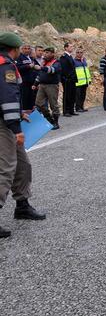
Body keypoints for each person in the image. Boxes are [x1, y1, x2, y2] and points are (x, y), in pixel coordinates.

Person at [0, 32, 47, 238]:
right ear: (15, 48)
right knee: (6, 168)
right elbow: (9, 97)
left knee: (23, 165)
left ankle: (22, 205)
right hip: (5, 125)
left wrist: (19, 113)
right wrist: (17, 128)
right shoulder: (6, 66)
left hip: (8, 120)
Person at [33, 47, 61, 130]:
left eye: (47, 52)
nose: (45, 54)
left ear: (52, 54)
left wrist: (41, 68)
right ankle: (49, 119)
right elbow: (40, 75)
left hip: (52, 86)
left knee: (53, 104)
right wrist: (35, 83)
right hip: (42, 85)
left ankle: (56, 123)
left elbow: (52, 70)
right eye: (44, 52)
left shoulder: (56, 62)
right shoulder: (44, 62)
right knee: (39, 103)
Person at [16, 43, 40, 111]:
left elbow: (38, 68)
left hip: (32, 83)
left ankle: (31, 116)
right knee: (24, 100)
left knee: (31, 101)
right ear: (21, 49)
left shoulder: (31, 58)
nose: (27, 50)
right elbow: (17, 67)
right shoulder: (19, 57)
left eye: (28, 48)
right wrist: (28, 66)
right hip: (24, 83)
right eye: (25, 48)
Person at [59, 42, 78, 116]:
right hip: (67, 79)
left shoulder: (70, 56)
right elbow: (64, 69)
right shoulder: (64, 57)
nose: (72, 48)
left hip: (72, 79)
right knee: (67, 95)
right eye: (70, 46)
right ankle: (66, 111)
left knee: (72, 95)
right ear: (66, 48)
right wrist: (65, 78)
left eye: (72, 46)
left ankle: (71, 110)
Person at [73, 48, 91, 112]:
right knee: (78, 96)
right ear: (76, 53)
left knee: (83, 95)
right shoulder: (74, 61)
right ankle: (77, 108)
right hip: (78, 82)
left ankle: (81, 107)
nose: (79, 54)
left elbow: (86, 71)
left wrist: (89, 79)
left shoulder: (84, 60)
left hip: (85, 81)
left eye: (81, 52)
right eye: (78, 52)